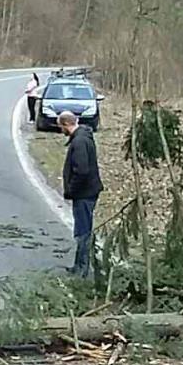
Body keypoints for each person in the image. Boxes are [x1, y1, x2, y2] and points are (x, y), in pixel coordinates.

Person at [58, 111, 102, 280]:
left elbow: (82, 171)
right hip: (87, 191)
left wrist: (71, 189)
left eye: (61, 127)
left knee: (83, 231)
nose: (61, 130)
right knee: (82, 229)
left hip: (84, 193)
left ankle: (82, 269)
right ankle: (78, 265)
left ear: (66, 124)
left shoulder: (79, 142)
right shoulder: (83, 137)